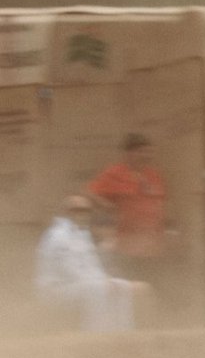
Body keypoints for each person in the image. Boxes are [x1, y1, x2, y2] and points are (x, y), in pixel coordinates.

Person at [34, 194, 148, 331]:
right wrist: (99, 282)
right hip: (58, 288)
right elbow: (68, 269)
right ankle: (95, 332)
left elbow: (93, 265)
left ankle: (121, 330)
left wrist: (105, 279)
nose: (83, 214)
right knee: (97, 289)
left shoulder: (82, 234)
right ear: (67, 212)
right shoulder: (57, 235)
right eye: (78, 210)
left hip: (80, 283)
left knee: (119, 286)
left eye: (86, 210)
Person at [88, 133, 175, 299]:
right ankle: (134, 321)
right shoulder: (115, 173)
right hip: (128, 245)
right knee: (133, 288)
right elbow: (90, 192)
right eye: (142, 152)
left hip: (154, 244)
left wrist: (170, 230)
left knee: (156, 286)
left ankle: (157, 321)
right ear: (129, 153)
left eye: (149, 152)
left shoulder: (154, 175)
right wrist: (107, 206)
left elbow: (163, 203)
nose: (147, 156)